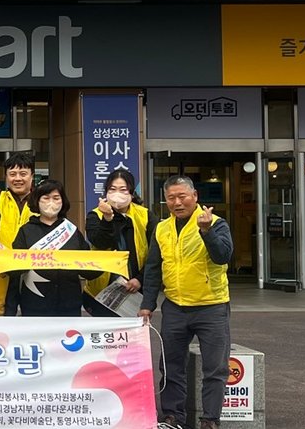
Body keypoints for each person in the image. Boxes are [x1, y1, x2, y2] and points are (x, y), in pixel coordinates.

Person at [139, 176, 233, 429]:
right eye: (171, 198)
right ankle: (173, 417)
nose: (177, 202)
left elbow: (223, 256)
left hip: (211, 306)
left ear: (195, 196)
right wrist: (147, 304)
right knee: (170, 365)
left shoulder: (215, 223)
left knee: (215, 368)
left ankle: (210, 419)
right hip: (175, 306)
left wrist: (206, 231)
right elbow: (153, 268)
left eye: (182, 196)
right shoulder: (162, 228)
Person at [4, 179, 100, 317]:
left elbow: (88, 270)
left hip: (69, 306)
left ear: (63, 201)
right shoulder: (25, 231)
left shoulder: (71, 231)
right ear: (37, 200)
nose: (51, 202)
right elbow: (15, 271)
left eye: (56, 198)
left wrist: (107, 262)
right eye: (46, 198)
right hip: (34, 305)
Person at [84, 166, 158, 314]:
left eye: (123, 190)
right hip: (103, 288)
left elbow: (155, 252)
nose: (117, 194)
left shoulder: (145, 215)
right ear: (106, 192)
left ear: (131, 192)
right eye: (112, 189)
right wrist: (107, 219)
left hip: (136, 286)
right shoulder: (95, 215)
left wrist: (139, 279)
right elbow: (100, 242)